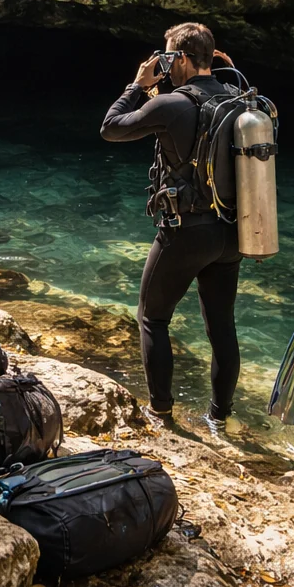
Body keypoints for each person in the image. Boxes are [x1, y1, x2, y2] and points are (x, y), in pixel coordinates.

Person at [100, 22, 242, 434]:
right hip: (231, 232)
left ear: (180, 57)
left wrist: (138, 84)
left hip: (187, 231)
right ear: (211, 58)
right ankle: (220, 416)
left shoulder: (172, 105)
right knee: (222, 324)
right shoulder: (238, 100)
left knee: (152, 317)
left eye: (166, 56)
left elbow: (112, 127)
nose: (162, 65)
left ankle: (160, 412)